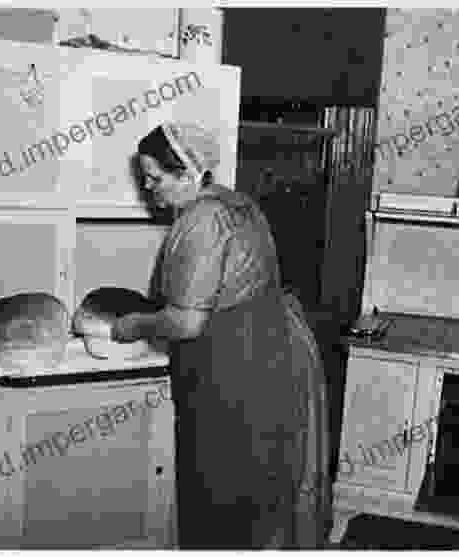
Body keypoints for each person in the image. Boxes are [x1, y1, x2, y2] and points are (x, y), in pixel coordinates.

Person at [111, 122, 328, 549]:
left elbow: (187, 322)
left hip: (231, 370)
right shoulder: (238, 203)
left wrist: (132, 325)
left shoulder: (201, 219)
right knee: (262, 485)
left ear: (188, 173)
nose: (149, 189)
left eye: (155, 179)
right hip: (269, 355)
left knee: (219, 490)